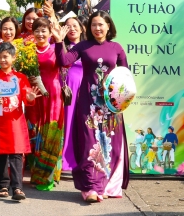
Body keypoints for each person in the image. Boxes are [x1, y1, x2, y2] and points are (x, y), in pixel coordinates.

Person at [54, 11, 129, 203]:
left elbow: (125, 76)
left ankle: (106, 186)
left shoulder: (117, 48)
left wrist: (116, 92)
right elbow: (63, 61)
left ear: (109, 26)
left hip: (110, 105)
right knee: (89, 144)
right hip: (88, 103)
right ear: (89, 28)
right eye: (94, 25)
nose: (97, 28)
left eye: (101, 24)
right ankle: (90, 187)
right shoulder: (83, 46)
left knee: (111, 145)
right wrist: (57, 42)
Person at [0, 42, 40, 201]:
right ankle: (3, 185)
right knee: (0, 154)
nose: (2, 60)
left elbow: (27, 97)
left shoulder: (20, 78)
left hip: (15, 121)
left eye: (5, 56)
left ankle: (18, 188)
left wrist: (29, 98)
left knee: (16, 154)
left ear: (13, 58)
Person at [27, 17, 64, 191]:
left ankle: (50, 175)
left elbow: (67, 62)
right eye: (37, 30)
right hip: (35, 96)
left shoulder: (56, 48)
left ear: (50, 32)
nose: (40, 34)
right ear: (32, 33)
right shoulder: (27, 51)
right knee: (36, 133)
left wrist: (60, 41)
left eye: (44, 31)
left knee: (51, 133)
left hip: (54, 95)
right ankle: (36, 174)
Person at [60, 16, 86, 172]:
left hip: (84, 88)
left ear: (82, 28)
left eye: (75, 25)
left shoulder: (88, 47)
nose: (72, 29)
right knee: (67, 123)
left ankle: (82, 159)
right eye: (68, 26)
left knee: (82, 124)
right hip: (67, 89)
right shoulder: (62, 47)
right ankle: (65, 160)